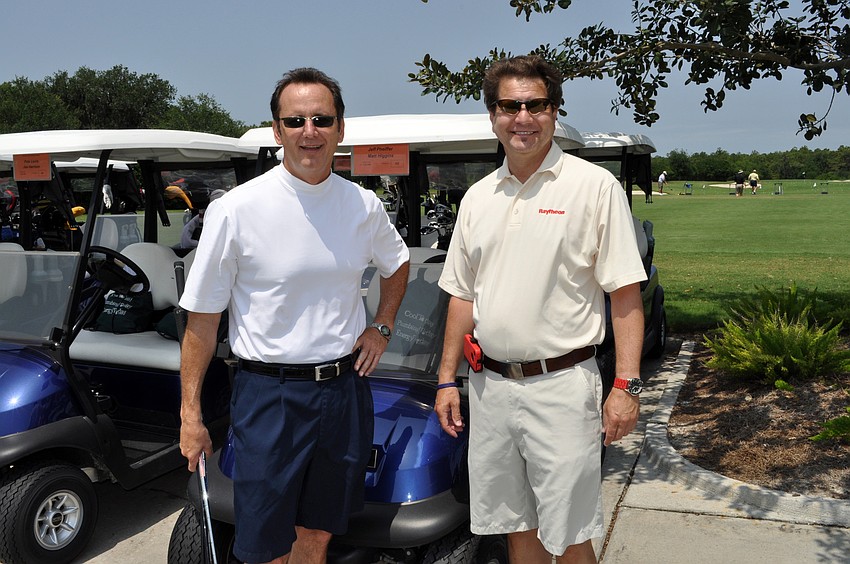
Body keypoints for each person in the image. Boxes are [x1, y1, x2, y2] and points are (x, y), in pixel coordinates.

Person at [178, 67, 410, 564]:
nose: (310, 131)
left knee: (319, 531)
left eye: (322, 119)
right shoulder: (236, 211)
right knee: (265, 542)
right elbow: (202, 321)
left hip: (343, 393)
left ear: (341, 129)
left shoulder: (364, 206)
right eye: (296, 120)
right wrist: (190, 415)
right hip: (270, 395)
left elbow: (398, 263)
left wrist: (382, 326)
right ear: (277, 129)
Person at [434, 55, 646, 564]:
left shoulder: (595, 187)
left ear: (554, 111)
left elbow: (625, 296)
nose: (522, 117)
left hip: (562, 389)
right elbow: (463, 294)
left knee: (570, 533)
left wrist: (626, 386)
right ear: (493, 115)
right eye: (510, 106)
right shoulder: (478, 198)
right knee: (515, 528)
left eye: (536, 105)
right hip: (491, 390)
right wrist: (445, 379)